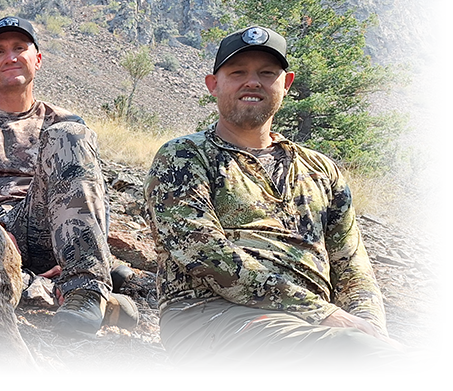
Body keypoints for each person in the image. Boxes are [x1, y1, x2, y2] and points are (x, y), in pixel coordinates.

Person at [144, 25, 446, 376]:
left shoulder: (321, 169)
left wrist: (370, 327)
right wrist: (324, 313)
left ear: (286, 84)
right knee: (368, 359)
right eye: (237, 72)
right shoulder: (185, 156)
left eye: (266, 73)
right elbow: (202, 252)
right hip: (210, 316)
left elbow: (352, 265)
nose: (252, 82)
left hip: (316, 327)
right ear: (214, 84)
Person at [0, 16, 134, 338]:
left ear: (37, 59)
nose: (10, 57)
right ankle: (69, 281)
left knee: (71, 135)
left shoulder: (64, 121)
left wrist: (73, 239)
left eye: (19, 48)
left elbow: (89, 190)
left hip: (55, 222)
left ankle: (85, 285)